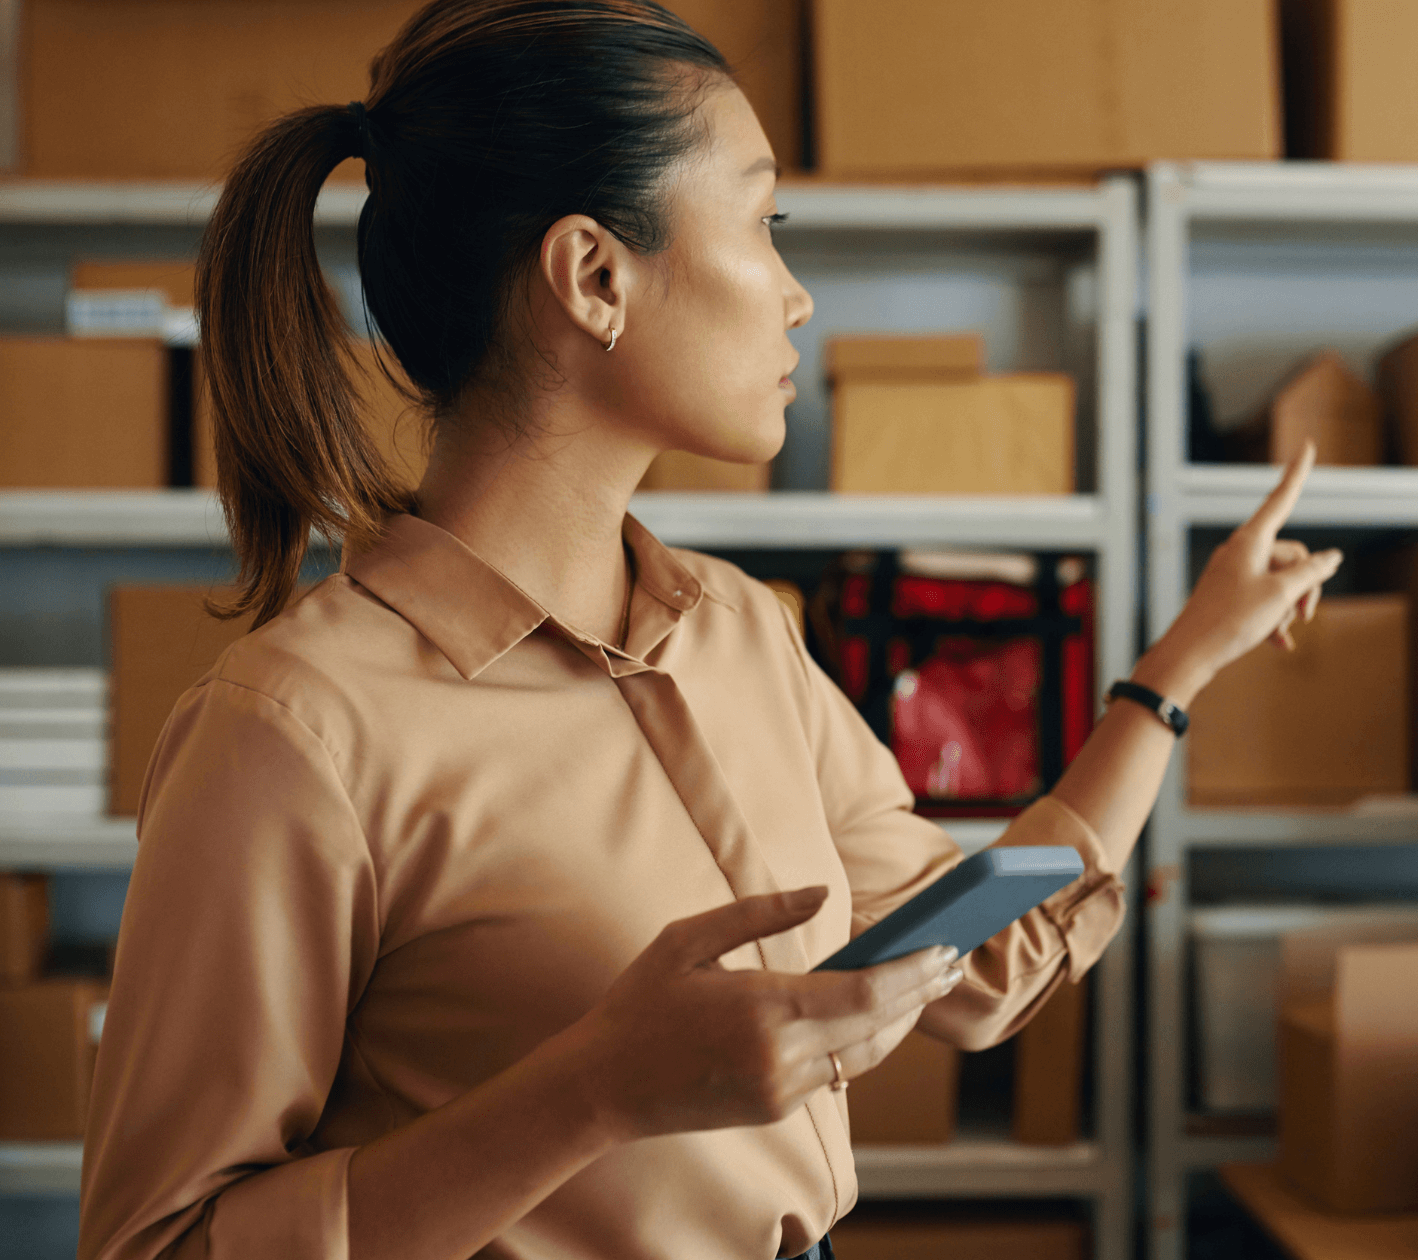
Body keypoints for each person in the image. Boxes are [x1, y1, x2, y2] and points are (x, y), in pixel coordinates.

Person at [75, 3, 1343, 1258]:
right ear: (594, 277)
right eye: (762, 222)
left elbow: (978, 966)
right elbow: (159, 1245)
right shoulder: (294, 733)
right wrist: (590, 1093)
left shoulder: (740, 633)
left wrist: (1182, 662)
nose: (797, 297)